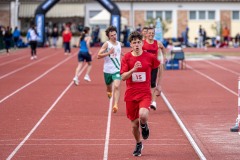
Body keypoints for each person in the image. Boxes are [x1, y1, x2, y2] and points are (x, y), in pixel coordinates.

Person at [120, 31, 160, 157]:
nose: (136, 45)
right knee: (133, 126)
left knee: (143, 115)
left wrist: (159, 83)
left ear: (142, 43)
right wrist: (133, 70)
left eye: (138, 42)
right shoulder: (126, 57)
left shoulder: (149, 57)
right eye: (134, 43)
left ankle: (144, 125)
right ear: (130, 45)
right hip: (131, 95)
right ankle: (138, 143)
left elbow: (159, 66)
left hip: (144, 93)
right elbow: (123, 77)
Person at [97, 26, 122, 113]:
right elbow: (98, 55)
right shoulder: (106, 44)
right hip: (107, 70)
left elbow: (121, 53)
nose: (114, 36)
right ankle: (109, 91)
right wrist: (108, 53)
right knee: (109, 87)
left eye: (115, 34)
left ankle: (115, 105)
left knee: (117, 86)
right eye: (112, 35)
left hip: (117, 69)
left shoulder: (119, 43)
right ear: (109, 36)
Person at [142, 27, 166, 110]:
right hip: (145, 67)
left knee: (152, 84)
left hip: (154, 66)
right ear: (146, 34)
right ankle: (146, 101)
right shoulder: (142, 43)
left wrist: (164, 57)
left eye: (152, 33)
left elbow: (163, 49)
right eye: (149, 33)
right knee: (144, 85)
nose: (151, 34)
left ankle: (153, 102)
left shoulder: (157, 43)